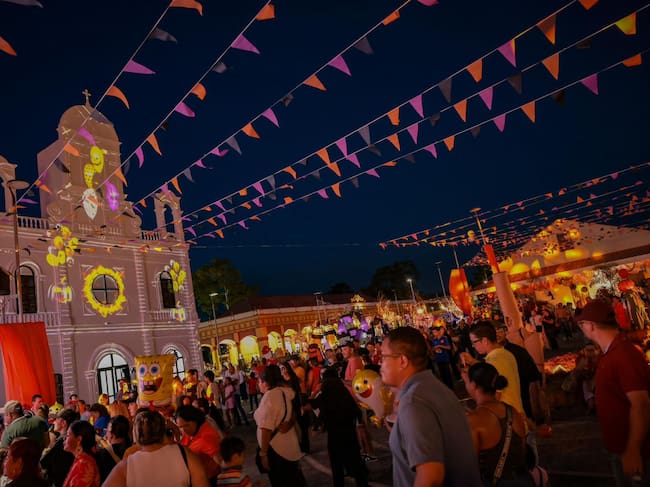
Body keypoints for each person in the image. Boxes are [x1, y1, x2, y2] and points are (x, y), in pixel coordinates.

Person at [380, 326, 481, 486]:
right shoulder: (431, 387)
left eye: (384, 357)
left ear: (402, 361)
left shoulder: (414, 401)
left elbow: (431, 476)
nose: (380, 363)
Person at [576, 299, 650, 485]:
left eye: (582, 324)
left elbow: (641, 404)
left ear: (591, 325)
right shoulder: (610, 352)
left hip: (636, 451)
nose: (581, 328)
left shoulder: (624, 355)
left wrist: (633, 449)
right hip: (621, 446)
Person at [464, 362, 532, 486]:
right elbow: (522, 451)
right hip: (524, 479)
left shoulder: (474, 420)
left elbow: (469, 464)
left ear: (473, 385)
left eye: (467, 381)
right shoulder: (513, 412)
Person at [104, 409, 209, 487]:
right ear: (163, 430)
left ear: (136, 433)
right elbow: (202, 482)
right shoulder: (184, 454)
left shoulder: (127, 465)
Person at [307, 368, 369, 487]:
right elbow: (356, 411)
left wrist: (316, 392)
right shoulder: (343, 392)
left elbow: (309, 405)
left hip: (334, 434)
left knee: (337, 465)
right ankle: (362, 483)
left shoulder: (326, 394)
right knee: (355, 460)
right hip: (349, 432)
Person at [254, 364, 306, 487]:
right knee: (294, 479)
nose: (258, 384)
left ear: (265, 382)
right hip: (288, 446)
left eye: (259, 381)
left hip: (276, 450)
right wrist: (290, 423)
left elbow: (266, 428)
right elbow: (293, 411)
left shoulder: (270, 397)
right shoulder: (284, 392)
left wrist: (263, 454)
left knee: (282, 481)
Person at [461, 321, 525, 416]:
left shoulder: (495, 361)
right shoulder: (505, 353)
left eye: (474, 342)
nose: (473, 346)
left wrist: (468, 382)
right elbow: (491, 369)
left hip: (508, 418)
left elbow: (493, 398)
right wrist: (473, 361)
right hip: (516, 414)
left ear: (485, 341)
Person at [176, 404, 222, 481]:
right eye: (180, 427)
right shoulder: (190, 433)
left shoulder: (206, 437)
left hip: (208, 479)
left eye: (187, 425)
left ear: (196, 420)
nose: (184, 430)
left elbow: (221, 461)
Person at [41, 408, 80, 487]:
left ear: (63, 423)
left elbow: (43, 462)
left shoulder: (62, 442)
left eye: (56, 419)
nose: (54, 422)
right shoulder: (73, 440)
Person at [62, 420, 100, 487]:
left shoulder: (84, 464)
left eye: (68, 435)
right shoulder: (82, 459)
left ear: (79, 439)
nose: (64, 438)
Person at [96, 415, 132, 482]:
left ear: (112, 435)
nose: (106, 434)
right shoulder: (132, 450)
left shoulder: (103, 454)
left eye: (107, 431)